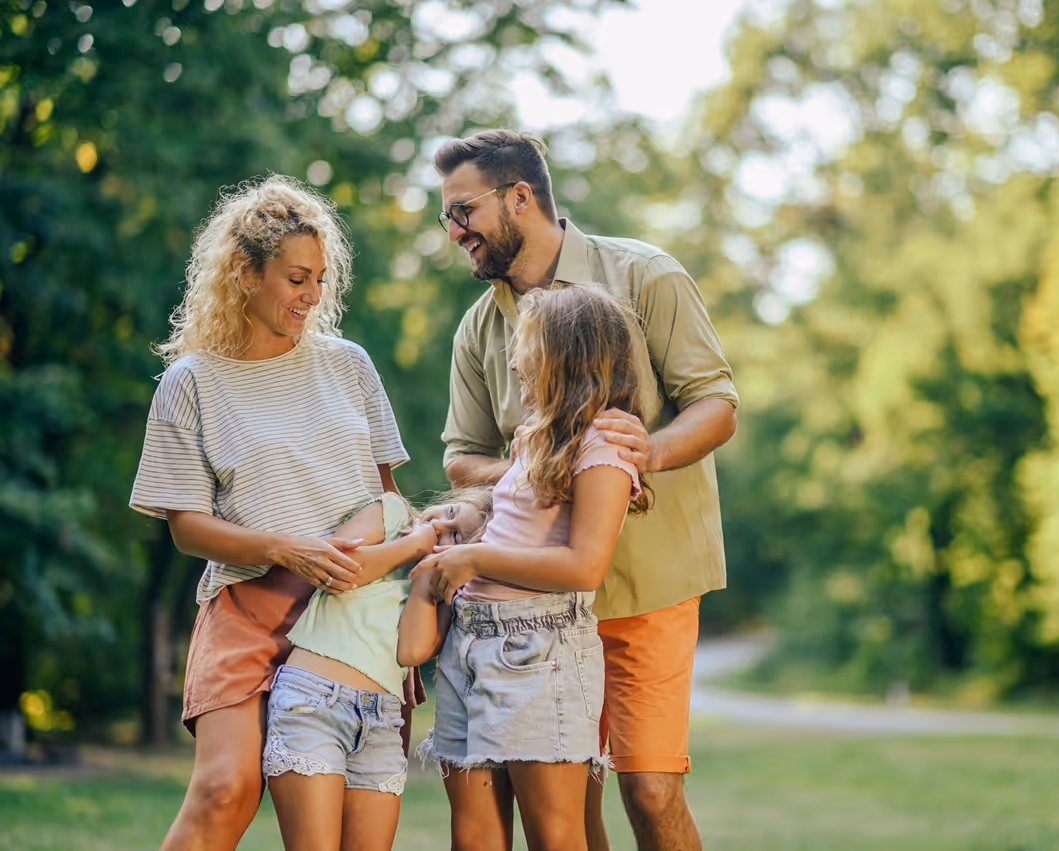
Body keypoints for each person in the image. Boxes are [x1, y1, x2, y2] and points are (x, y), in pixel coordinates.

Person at [432, 129, 739, 851]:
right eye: (445, 217)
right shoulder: (479, 328)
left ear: (520, 197)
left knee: (651, 788)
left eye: (463, 210)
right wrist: (544, 464)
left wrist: (644, 452)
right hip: (537, 607)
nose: (453, 232)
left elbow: (717, 403)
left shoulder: (644, 275)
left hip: (649, 585)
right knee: (570, 809)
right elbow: (461, 458)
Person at [129, 175, 413, 851]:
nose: (312, 296)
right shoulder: (190, 382)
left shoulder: (350, 366)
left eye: (319, 278)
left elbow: (390, 497)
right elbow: (187, 527)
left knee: (344, 827)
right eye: (295, 278)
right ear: (243, 272)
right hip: (246, 610)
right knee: (225, 789)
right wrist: (286, 548)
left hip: (349, 612)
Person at [413, 285, 652, 851]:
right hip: (471, 644)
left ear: (569, 357)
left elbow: (584, 566)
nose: (515, 362)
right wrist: (462, 528)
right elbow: (518, 525)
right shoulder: (532, 440)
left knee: (554, 833)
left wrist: (473, 558)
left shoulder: (603, 448)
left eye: (528, 349)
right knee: (473, 835)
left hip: (539, 650)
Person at [262, 486, 491, 851]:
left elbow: (412, 650)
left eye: (454, 537)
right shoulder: (392, 512)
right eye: (449, 512)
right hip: (313, 703)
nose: (439, 528)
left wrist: (425, 580)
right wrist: (415, 545)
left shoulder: (440, 593)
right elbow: (336, 570)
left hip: (381, 722)